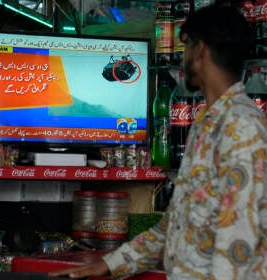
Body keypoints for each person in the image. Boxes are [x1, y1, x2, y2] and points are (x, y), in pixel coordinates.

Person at [48, 4, 267, 280]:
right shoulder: (208, 123)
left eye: (185, 46)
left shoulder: (241, 125)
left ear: (199, 50)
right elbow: (176, 223)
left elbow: (240, 238)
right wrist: (112, 263)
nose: (184, 55)